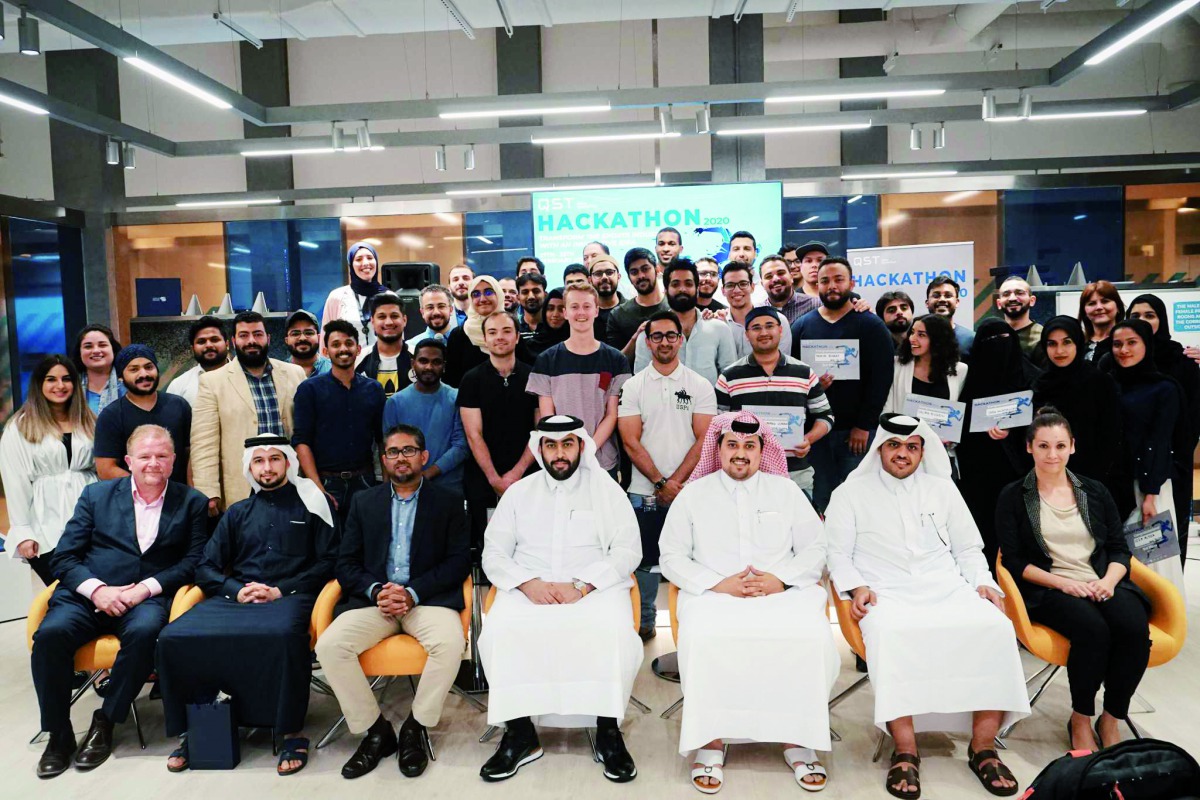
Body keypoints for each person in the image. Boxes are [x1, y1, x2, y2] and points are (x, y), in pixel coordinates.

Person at [826, 414, 1028, 798]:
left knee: (997, 628)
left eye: (912, 447)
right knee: (890, 634)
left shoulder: (943, 490)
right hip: (886, 592)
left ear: (923, 452)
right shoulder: (850, 493)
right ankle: (905, 750)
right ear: (881, 448)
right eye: (894, 446)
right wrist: (857, 587)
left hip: (945, 587)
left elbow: (969, 548)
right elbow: (836, 554)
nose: (902, 454)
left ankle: (983, 747)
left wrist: (983, 583)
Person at [659, 411, 838, 794]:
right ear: (718, 449)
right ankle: (710, 743)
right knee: (706, 640)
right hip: (714, 597)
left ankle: (797, 740)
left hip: (781, 596)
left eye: (749, 446)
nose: (740, 453)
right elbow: (671, 555)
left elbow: (817, 547)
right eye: (732, 445)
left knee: (812, 639)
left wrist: (780, 580)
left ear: (762, 451)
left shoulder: (787, 492)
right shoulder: (693, 494)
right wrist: (718, 584)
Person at [30, 425, 207, 779]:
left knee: (145, 632)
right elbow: (64, 557)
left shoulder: (192, 502)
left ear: (174, 461)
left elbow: (194, 562)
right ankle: (59, 733)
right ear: (129, 461)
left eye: (161, 456)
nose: (153, 463)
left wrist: (144, 589)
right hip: (88, 597)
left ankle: (106, 720)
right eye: (144, 456)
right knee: (50, 635)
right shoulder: (96, 495)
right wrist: (98, 590)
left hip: (145, 599)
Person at [156, 434, 338, 776]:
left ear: (288, 462)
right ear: (249, 467)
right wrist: (235, 590)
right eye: (258, 461)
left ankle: (290, 731)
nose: (266, 467)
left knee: (283, 636)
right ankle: (198, 730)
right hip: (237, 598)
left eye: (274, 459)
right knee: (173, 637)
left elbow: (330, 562)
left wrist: (280, 590)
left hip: (291, 597)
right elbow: (205, 567)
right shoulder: (237, 513)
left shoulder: (312, 505)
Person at [478, 416, 641, 783]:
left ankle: (608, 731)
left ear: (581, 446)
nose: (559, 454)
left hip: (592, 589)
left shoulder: (606, 490)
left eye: (567, 444)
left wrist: (582, 586)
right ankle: (520, 734)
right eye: (551, 445)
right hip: (528, 589)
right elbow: (494, 554)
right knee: (498, 633)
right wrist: (528, 584)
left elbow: (628, 551)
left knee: (613, 633)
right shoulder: (519, 493)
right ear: (540, 449)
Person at [315, 424, 471, 780]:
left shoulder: (448, 501)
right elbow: (346, 562)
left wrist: (411, 592)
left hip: (426, 599)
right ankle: (376, 731)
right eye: (393, 452)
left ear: (424, 456)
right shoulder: (364, 502)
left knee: (449, 644)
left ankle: (416, 727)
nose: (401, 458)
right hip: (376, 602)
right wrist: (376, 591)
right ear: (383, 460)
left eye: (408, 451)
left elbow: (459, 561)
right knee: (330, 646)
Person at [996, 407, 1152, 752]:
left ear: (1072, 447)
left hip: (1099, 580)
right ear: (1029, 448)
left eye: (1060, 446)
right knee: (1093, 631)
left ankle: (1111, 717)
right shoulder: (1013, 496)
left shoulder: (1094, 491)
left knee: (1133, 629)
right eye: (1043, 446)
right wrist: (1064, 584)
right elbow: (1015, 562)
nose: (1052, 455)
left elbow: (1117, 548)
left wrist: (1109, 582)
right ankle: (1080, 717)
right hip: (1049, 587)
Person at [618, 311, 717, 639]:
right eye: (656, 336)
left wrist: (675, 484)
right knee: (644, 560)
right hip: (643, 490)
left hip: (690, 491)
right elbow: (630, 441)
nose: (664, 341)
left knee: (692, 556)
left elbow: (705, 438)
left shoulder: (699, 385)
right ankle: (645, 620)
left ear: (680, 339)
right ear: (647, 342)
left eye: (670, 335)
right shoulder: (633, 386)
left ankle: (690, 621)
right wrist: (661, 482)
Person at [794, 257, 895, 512]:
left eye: (838, 279)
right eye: (824, 281)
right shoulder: (803, 326)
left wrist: (864, 424)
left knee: (858, 502)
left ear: (851, 282)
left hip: (856, 433)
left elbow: (881, 379)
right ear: (816, 285)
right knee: (820, 500)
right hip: (815, 432)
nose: (832, 286)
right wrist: (814, 389)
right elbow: (793, 378)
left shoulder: (871, 325)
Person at [192, 311, 307, 511]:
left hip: (291, 482)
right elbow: (204, 443)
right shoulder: (212, 382)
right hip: (242, 487)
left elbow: (306, 431)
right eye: (244, 335)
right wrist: (209, 492)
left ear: (268, 338)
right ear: (234, 341)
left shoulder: (294, 373)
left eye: (258, 334)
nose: (251, 341)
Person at [1, 355, 97, 585]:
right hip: (45, 523)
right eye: (51, 379)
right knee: (62, 592)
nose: (60, 385)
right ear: (39, 384)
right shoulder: (20, 425)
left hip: (91, 519)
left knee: (95, 590)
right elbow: (15, 480)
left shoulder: (89, 420)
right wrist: (23, 531)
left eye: (66, 379)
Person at [717, 306, 834, 495]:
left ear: (780, 330)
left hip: (795, 476)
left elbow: (826, 417)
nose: (763, 332)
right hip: (745, 477)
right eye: (756, 328)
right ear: (747, 334)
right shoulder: (730, 376)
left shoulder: (804, 373)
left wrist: (807, 440)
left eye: (769, 326)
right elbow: (717, 426)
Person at [1107, 320, 1190, 574]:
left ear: (1147, 345)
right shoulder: (1110, 383)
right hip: (1116, 484)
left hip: (1149, 486)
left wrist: (1150, 495)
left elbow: (1161, 440)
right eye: (1117, 344)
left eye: (1132, 343)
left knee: (1154, 563)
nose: (1124, 350)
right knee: (1119, 562)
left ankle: (1163, 614)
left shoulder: (1164, 388)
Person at [956, 319, 1039, 570]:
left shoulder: (1032, 376)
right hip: (978, 476)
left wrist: (1013, 432)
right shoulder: (967, 379)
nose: (996, 348)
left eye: (1002, 341)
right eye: (989, 343)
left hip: (1018, 471)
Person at [528, 284, 632, 478]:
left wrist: (588, 449)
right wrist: (569, 450)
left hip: (602, 461)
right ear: (565, 312)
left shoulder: (616, 360)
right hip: (561, 460)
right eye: (574, 307)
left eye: (586, 306)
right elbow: (548, 416)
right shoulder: (547, 360)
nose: (581, 312)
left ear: (596, 310)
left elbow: (612, 414)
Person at [459, 311, 539, 552]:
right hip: (484, 478)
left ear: (517, 337)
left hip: (528, 476)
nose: (500, 337)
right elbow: (474, 435)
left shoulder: (534, 377)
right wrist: (495, 478)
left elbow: (540, 431)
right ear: (485, 339)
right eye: (492, 332)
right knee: (490, 548)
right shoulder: (471, 380)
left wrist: (516, 474)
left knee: (530, 547)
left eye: (506, 331)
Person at [292, 320, 386, 521]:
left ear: (358, 349)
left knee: (364, 547)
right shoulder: (309, 390)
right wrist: (318, 489)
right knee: (328, 548)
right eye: (336, 344)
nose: (343, 349)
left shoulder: (374, 389)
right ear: (326, 351)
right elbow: (302, 442)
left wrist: (386, 486)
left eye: (349, 343)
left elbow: (382, 441)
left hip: (365, 481)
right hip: (325, 482)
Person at [1127, 294, 1200, 553]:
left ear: (1162, 320)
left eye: (1150, 315)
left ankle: (1167, 594)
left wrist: (1170, 459)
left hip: (1171, 468)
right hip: (1130, 469)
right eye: (1135, 316)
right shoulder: (1122, 360)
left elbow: (1191, 421)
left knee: (1164, 547)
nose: (1143, 321)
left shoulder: (1183, 361)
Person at [1031, 317, 1122, 489]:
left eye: (1067, 342)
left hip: (1093, 480)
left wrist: (1093, 482)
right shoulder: (1040, 384)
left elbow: (1111, 436)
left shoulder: (1099, 382)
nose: (1059, 351)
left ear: (1078, 343)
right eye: (1052, 344)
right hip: (1048, 480)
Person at [93, 345, 192, 485]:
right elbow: (106, 469)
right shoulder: (111, 415)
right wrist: (147, 487)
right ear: (121, 377)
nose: (143, 374)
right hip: (132, 500)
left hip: (180, 498)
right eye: (134, 369)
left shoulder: (179, 405)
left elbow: (192, 456)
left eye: (149, 367)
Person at [383, 340, 468, 495]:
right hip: (405, 487)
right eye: (423, 361)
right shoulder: (395, 403)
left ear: (444, 366)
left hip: (448, 488)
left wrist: (426, 475)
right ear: (413, 363)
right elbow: (390, 449)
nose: (429, 367)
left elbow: (461, 446)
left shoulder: (457, 398)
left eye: (436, 362)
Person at [633, 259, 737, 385]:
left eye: (688, 284)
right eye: (675, 284)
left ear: (697, 289)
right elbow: (640, 382)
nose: (682, 289)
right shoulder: (649, 333)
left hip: (710, 404)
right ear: (665, 290)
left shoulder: (719, 329)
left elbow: (730, 377)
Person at [444, 274, 535, 387]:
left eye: (488, 292)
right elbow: (452, 380)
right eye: (476, 294)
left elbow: (527, 371)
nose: (482, 299)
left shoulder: (511, 330)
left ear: (499, 295)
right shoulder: (459, 335)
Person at [884, 314, 967, 415]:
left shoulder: (960, 369)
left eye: (921, 335)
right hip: (901, 430)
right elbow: (886, 411)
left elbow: (956, 413)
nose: (912, 339)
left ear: (938, 340)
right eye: (912, 332)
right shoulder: (896, 365)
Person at [718, 262, 793, 359]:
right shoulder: (718, 323)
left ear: (752, 287)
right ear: (723, 291)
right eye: (730, 285)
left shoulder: (778, 320)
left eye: (743, 284)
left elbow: (783, 363)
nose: (736, 290)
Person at [607, 247, 667, 360]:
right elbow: (615, 363)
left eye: (645, 269)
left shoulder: (674, 307)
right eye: (634, 272)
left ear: (657, 270)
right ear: (629, 277)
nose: (641, 276)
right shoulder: (618, 315)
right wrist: (636, 338)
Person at [322, 241, 385, 351]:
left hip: (384, 364)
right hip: (347, 363)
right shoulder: (337, 297)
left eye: (370, 258)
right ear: (351, 264)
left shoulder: (389, 297)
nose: (365, 263)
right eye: (358, 259)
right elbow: (325, 339)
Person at [355, 292, 413, 398]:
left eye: (394, 316)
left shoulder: (417, 356)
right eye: (382, 317)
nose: (388, 322)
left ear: (404, 320)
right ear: (372, 321)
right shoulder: (358, 359)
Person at [166, 316, 229, 405]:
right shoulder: (178, 386)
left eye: (214, 340)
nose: (209, 345)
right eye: (201, 341)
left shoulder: (245, 378)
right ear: (193, 349)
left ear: (227, 344)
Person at [72, 324, 123, 414]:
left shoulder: (128, 386)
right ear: (79, 353)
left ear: (113, 350)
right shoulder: (70, 387)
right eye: (88, 346)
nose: (96, 351)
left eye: (102, 345)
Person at [995, 276, 1046, 366]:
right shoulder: (992, 336)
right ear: (999, 303)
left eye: (1020, 293)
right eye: (1006, 294)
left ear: (1032, 300)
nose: (1012, 298)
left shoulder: (1043, 336)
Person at [926, 276, 975, 360]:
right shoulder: (916, 338)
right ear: (927, 303)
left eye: (948, 295)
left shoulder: (971, 339)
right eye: (936, 295)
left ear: (957, 302)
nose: (942, 299)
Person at [761, 254, 819, 325]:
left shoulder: (816, 305)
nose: (776, 279)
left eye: (781, 273)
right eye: (769, 276)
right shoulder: (756, 312)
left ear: (791, 277)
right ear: (762, 284)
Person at [1079, 280, 1125, 363]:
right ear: (1084, 311)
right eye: (1092, 303)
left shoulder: (1127, 344)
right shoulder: (1077, 345)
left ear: (1118, 307)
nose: (1099, 307)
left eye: (1105, 301)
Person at [405, 284, 459, 351]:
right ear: (422, 312)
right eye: (430, 307)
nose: (436, 312)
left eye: (441, 306)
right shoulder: (411, 347)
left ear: (451, 310)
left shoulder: (466, 343)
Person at [284, 309, 331, 377]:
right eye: (295, 334)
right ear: (286, 340)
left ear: (318, 337)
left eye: (309, 333)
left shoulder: (332, 370)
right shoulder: (278, 373)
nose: (302, 338)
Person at [589, 253, 625, 341]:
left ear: (619, 277)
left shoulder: (631, 310)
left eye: (609, 272)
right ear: (590, 280)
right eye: (598, 274)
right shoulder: (587, 314)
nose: (604, 277)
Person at [528, 287, 569, 356]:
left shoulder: (576, 345)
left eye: (561, 309)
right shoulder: (533, 345)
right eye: (550, 309)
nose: (555, 314)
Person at [516, 272, 548, 343]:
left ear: (545, 295)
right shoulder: (514, 329)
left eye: (536, 291)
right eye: (525, 292)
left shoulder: (554, 327)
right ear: (518, 297)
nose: (531, 296)